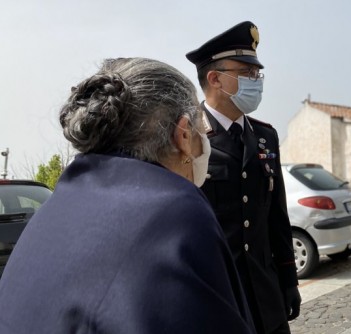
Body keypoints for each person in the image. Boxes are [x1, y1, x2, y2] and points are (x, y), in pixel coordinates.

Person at [0, 57, 256, 334]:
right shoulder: (175, 210)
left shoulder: (56, 205)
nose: (203, 142)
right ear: (183, 134)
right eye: (200, 131)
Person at [185, 21, 301, 334]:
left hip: (266, 297)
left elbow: (277, 216)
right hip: (218, 297)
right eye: (246, 73)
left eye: (257, 74)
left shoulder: (264, 136)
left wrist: (289, 280)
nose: (256, 81)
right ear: (215, 79)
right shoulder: (187, 136)